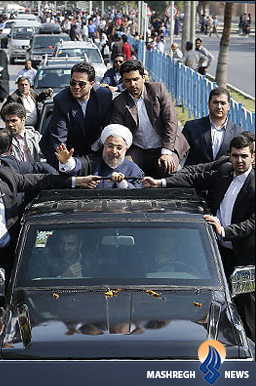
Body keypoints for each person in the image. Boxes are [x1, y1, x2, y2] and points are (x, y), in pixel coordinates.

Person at [0, 144, 99, 360]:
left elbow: (42, 180)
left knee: (14, 309)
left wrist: (76, 181)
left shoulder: (9, 178)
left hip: (9, 255)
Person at [142, 134, 254, 341]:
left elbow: (253, 223)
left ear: (252, 157)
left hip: (246, 261)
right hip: (217, 253)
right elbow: (194, 174)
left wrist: (225, 231)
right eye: (236, 155)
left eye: (244, 156)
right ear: (229, 156)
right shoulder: (223, 171)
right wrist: (162, 183)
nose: (239, 160)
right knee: (216, 302)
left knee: (246, 306)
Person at [110, 59, 189, 178]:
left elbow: (171, 121)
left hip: (165, 145)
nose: (132, 84)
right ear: (122, 81)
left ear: (143, 77)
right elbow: (119, 133)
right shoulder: (119, 102)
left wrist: (167, 151)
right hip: (139, 149)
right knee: (125, 168)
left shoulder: (158, 89)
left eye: (136, 79)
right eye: (128, 81)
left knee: (168, 168)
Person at [39, 62, 113, 167]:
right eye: (73, 83)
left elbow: (108, 128)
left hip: (96, 148)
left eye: (81, 84)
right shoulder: (61, 100)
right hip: (70, 149)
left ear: (91, 84)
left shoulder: (104, 96)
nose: (76, 87)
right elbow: (59, 134)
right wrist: (65, 159)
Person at [55, 124, 145, 189]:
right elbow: (77, 164)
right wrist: (66, 161)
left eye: (119, 148)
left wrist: (122, 183)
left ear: (126, 149)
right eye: (110, 146)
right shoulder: (91, 163)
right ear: (103, 145)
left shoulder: (133, 169)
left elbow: (138, 194)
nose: (114, 151)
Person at [182, 87, 244, 166]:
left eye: (223, 103)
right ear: (208, 104)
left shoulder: (238, 133)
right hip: (194, 176)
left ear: (228, 106)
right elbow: (179, 151)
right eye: (215, 102)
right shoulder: (192, 127)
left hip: (224, 177)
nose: (219, 106)